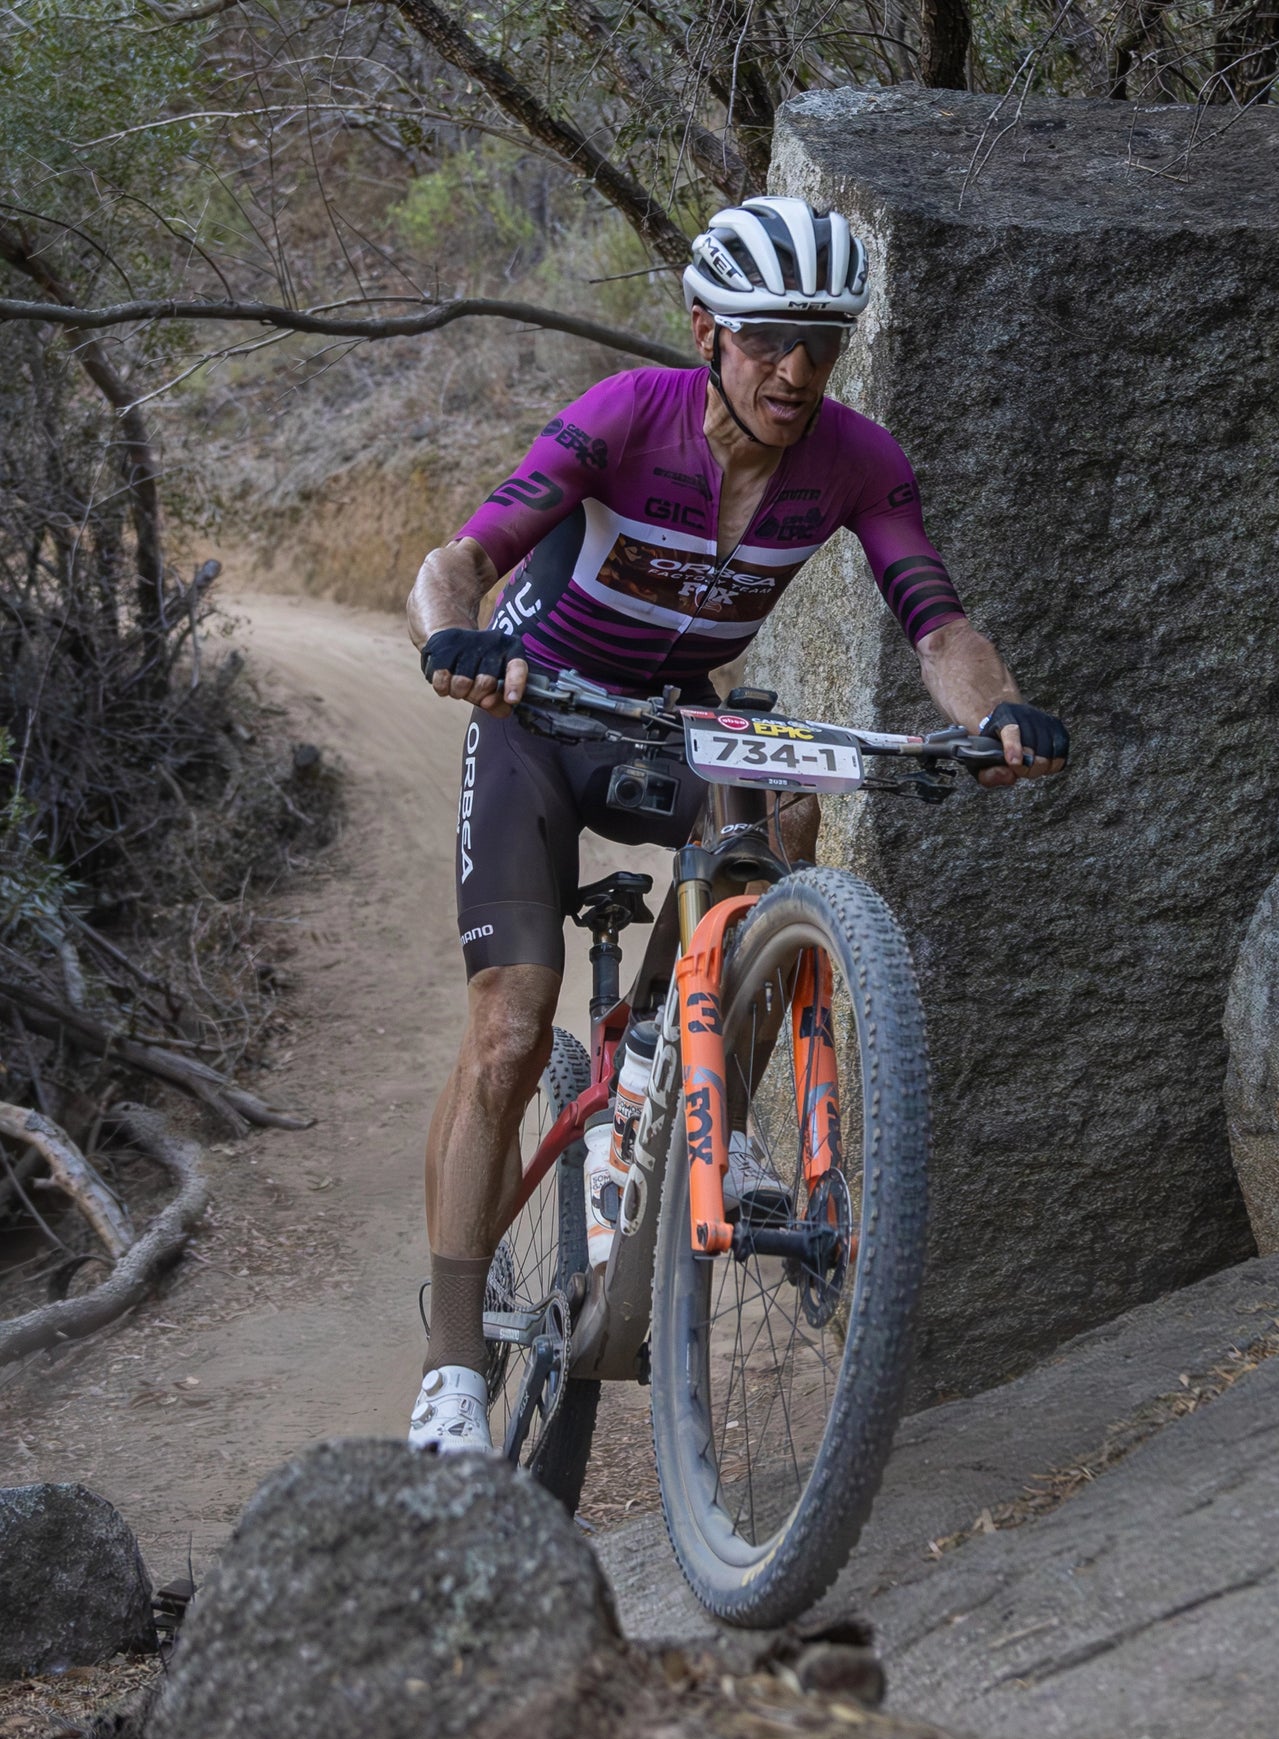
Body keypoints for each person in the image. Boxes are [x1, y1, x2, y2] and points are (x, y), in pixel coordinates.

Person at [404, 194, 1069, 1451]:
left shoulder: (856, 462)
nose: (795, 368)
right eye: (767, 337)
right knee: (504, 1035)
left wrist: (1000, 717)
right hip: (541, 717)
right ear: (705, 327)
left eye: (820, 340)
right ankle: (448, 1366)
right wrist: (450, 635)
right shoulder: (624, 420)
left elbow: (935, 621)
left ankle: (674, 1061)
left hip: (680, 718)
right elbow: (463, 557)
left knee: (789, 827)